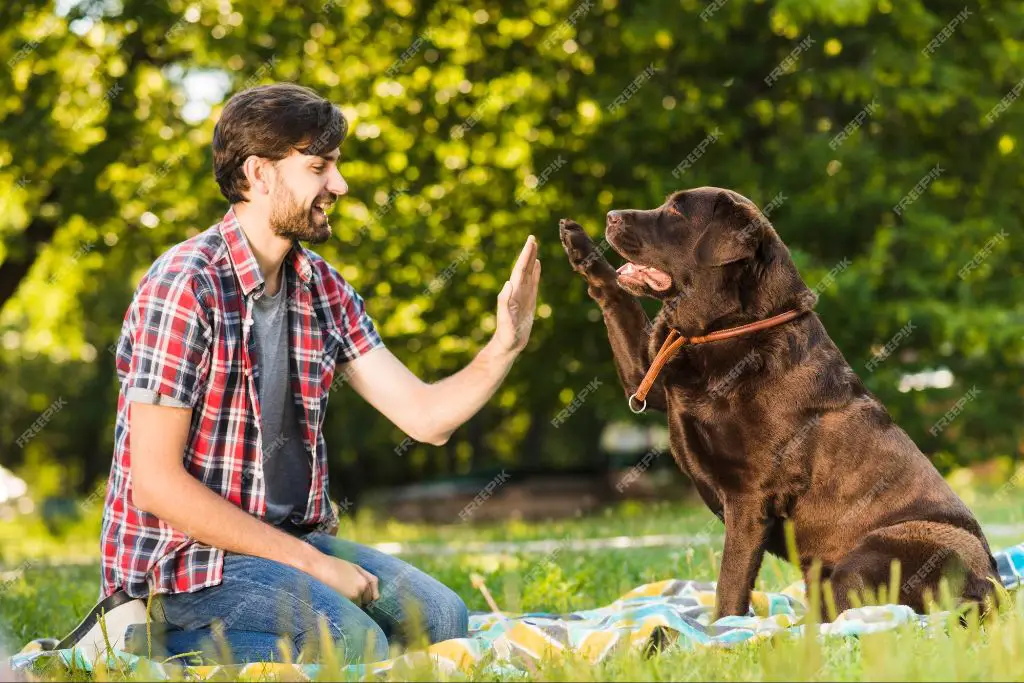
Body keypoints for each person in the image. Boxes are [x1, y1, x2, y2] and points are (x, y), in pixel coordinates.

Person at [99, 82, 541, 663]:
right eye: (319, 167)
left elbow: (427, 418)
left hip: (284, 546)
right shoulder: (185, 285)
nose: (340, 184)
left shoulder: (322, 289)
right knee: (350, 641)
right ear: (259, 174)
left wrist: (504, 346)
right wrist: (315, 565)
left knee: (441, 618)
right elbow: (155, 483)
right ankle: (139, 638)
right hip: (186, 563)